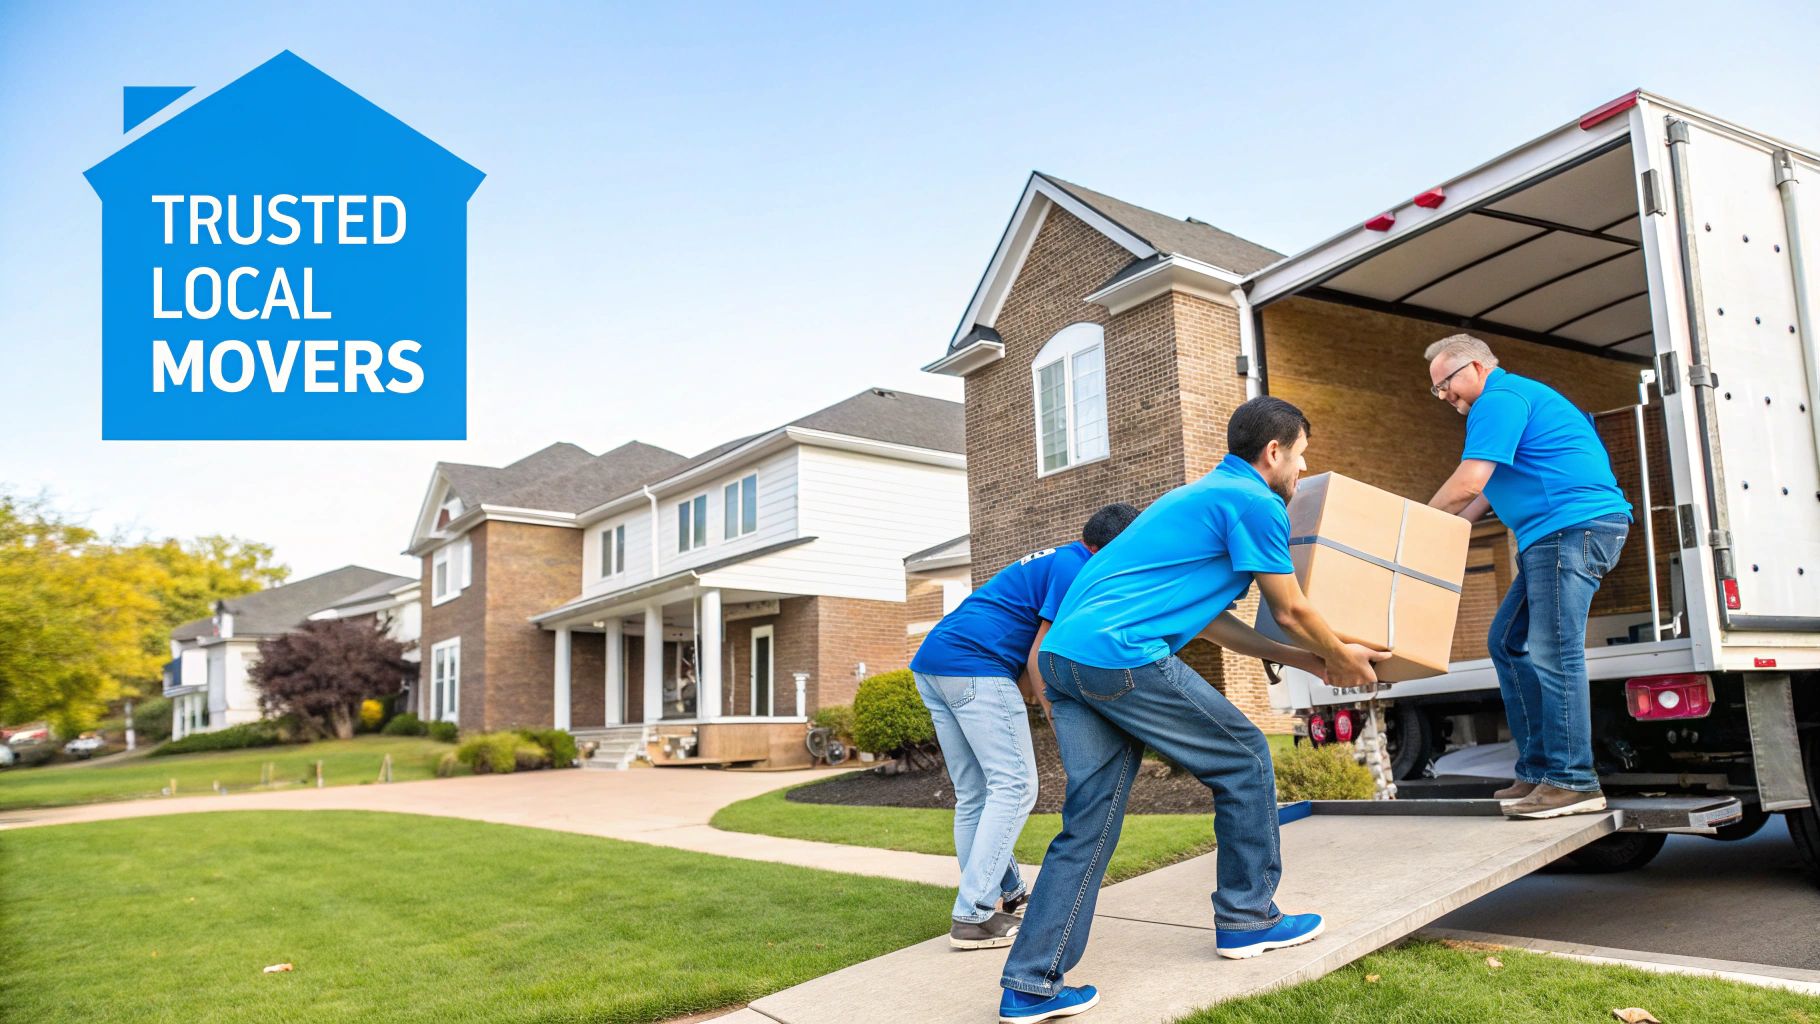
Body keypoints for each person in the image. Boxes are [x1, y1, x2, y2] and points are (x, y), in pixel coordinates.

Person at [996, 397, 1386, 1024]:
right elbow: (1290, 607)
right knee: (1246, 756)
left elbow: (1213, 623)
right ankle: (1248, 918)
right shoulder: (1256, 502)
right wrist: (1339, 654)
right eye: (1302, 455)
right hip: (1122, 655)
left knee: (1088, 822)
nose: (1302, 469)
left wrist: (1311, 662)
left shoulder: (1191, 500)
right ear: (1274, 452)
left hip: (1066, 661)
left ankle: (1031, 983)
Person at [910, 502, 1142, 951]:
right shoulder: (1078, 569)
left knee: (975, 794)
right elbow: (1038, 653)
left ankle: (1008, 891)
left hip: (934, 662)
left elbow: (1023, 657)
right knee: (1014, 786)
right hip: (974, 664)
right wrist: (1053, 715)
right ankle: (974, 916)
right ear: (1109, 549)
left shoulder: (1058, 557)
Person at [1424, 334, 1632, 820]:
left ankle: (1573, 781)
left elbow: (1469, 481)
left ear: (1475, 368)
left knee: (1552, 652)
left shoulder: (1498, 400)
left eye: (1446, 385)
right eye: (1437, 391)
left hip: (1570, 529)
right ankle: (1540, 770)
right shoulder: (1514, 401)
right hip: (1556, 535)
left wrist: (1411, 529)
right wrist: (1448, 528)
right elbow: (1485, 494)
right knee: (1507, 642)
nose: (1445, 397)